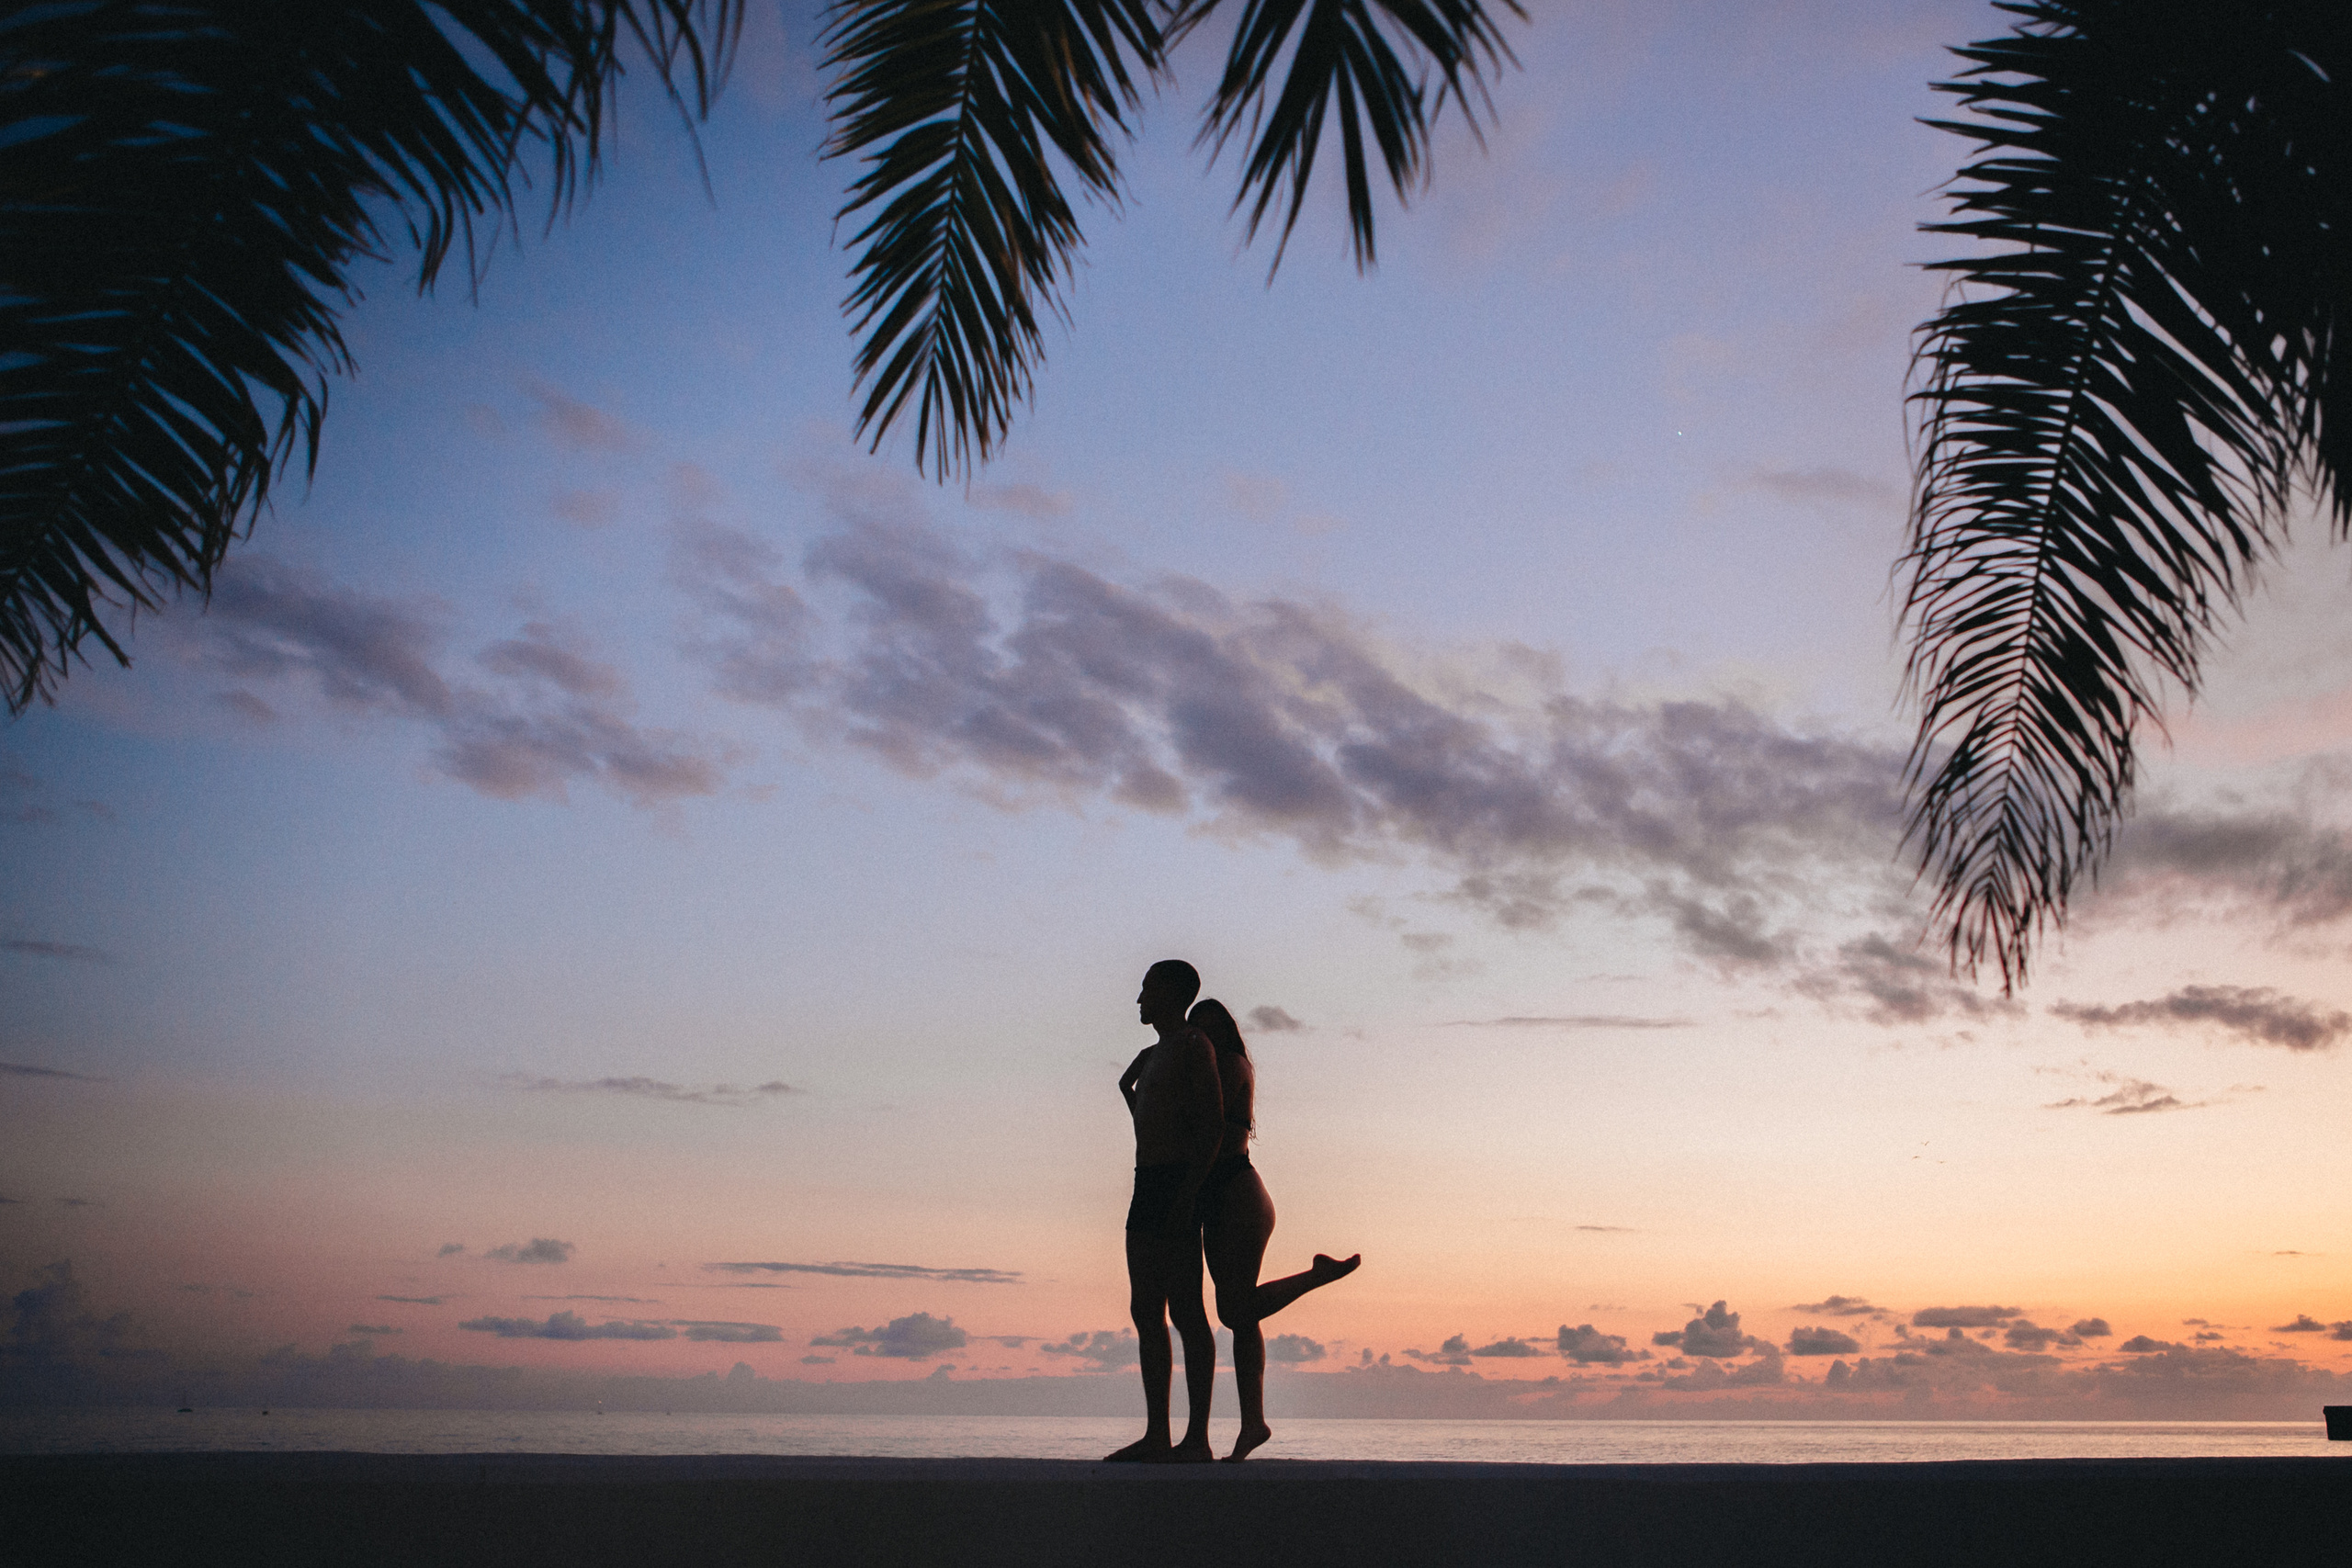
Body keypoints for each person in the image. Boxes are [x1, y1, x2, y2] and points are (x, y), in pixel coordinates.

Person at [1189, 998, 1361, 1462]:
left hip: (1236, 1194)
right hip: (1229, 1194)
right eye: (1195, 1032)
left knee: (1234, 1310)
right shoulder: (1220, 1063)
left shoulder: (1227, 1064)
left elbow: (1209, 1130)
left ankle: (1317, 1276)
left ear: (1223, 1033)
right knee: (1241, 1316)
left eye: (1208, 1030)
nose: (1201, 1039)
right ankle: (1253, 1424)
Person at [1104, 959, 1223, 1462]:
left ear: (1172, 994)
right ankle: (1157, 1433)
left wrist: (1189, 1193)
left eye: (1147, 989)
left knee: (1187, 1312)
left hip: (1177, 1182)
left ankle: (1195, 1438)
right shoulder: (1153, 1054)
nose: (1138, 999)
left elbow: (1213, 1127)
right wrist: (1129, 1087)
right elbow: (1145, 1113)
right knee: (1144, 1309)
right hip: (1146, 1183)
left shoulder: (1195, 1047)